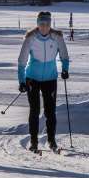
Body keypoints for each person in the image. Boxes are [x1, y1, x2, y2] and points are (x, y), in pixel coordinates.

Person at [17, 11, 70, 153]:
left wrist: (65, 69)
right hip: (32, 78)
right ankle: (34, 142)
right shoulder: (30, 38)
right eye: (41, 24)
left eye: (47, 24)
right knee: (34, 110)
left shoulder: (57, 37)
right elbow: (22, 61)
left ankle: (51, 141)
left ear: (50, 24)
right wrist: (22, 81)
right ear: (38, 24)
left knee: (50, 111)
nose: (44, 27)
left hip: (50, 78)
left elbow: (64, 55)